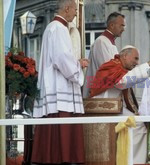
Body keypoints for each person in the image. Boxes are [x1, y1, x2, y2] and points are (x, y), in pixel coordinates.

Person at [31, 0, 89, 164]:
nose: (76, 13)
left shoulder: (53, 28)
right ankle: (63, 159)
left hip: (55, 84)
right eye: (75, 10)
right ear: (67, 8)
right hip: (59, 85)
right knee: (61, 123)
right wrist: (79, 66)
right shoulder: (58, 28)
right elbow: (62, 59)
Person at [89, 45, 150, 164]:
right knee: (137, 125)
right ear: (125, 56)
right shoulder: (111, 66)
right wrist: (147, 64)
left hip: (114, 108)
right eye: (135, 58)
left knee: (139, 122)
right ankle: (134, 161)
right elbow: (122, 82)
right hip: (104, 108)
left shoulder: (119, 67)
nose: (137, 63)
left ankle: (131, 160)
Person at [83, 12, 125, 98]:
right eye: (121, 25)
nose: (123, 29)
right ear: (112, 25)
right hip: (100, 96)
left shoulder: (109, 42)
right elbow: (109, 71)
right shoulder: (101, 42)